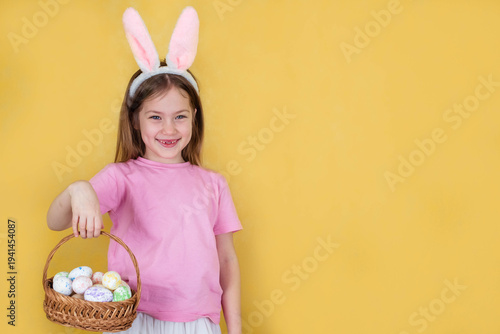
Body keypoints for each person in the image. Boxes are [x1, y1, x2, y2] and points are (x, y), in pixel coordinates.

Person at [46, 7, 242, 334]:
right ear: (135, 121)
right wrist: (78, 189)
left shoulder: (214, 184)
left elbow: (227, 262)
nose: (169, 128)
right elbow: (55, 222)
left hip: (195, 323)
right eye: (155, 117)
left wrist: (234, 328)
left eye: (180, 116)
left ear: (194, 116)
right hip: (133, 320)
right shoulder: (120, 178)